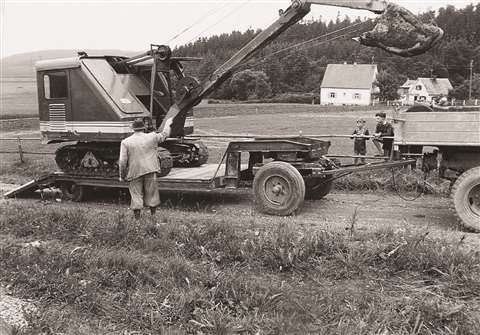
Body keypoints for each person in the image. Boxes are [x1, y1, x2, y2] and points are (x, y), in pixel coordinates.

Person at [119, 117, 173, 220]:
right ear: (144, 128)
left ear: (133, 129)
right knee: (152, 193)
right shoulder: (152, 137)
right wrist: (168, 123)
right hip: (150, 169)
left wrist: (122, 176)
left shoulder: (126, 142)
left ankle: (137, 219)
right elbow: (165, 134)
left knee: (136, 194)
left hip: (135, 171)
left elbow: (122, 162)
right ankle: (153, 216)